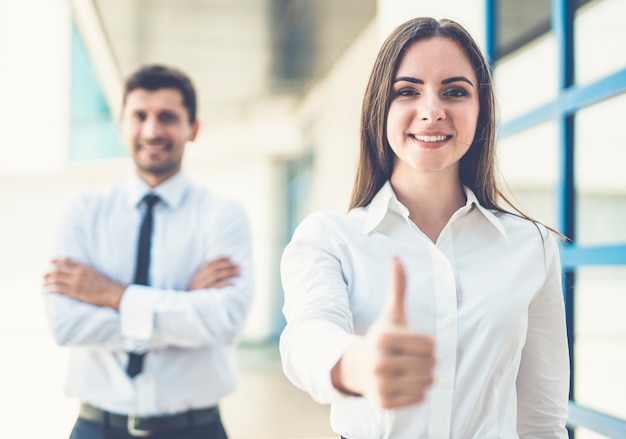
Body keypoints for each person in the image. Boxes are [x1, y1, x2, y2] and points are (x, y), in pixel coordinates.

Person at [279, 17, 569, 438]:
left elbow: (542, 419)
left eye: (455, 92)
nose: (432, 111)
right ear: (381, 108)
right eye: (407, 91)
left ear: (480, 111)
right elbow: (306, 335)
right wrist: (359, 364)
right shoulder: (330, 239)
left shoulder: (532, 246)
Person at [43, 64, 253, 439]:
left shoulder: (223, 216)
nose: (152, 130)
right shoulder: (82, 212)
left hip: (196, 429)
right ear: (121, 126)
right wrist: (184, 303)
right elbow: (66, 325)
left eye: (168, 118)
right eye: (139, 116)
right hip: (98, 427)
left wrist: (111, 295)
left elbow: (224, 321)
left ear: (194, 129)